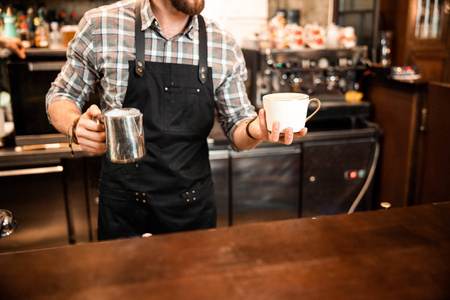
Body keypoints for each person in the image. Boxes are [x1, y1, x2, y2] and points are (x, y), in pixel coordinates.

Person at [46, 0, 308, 240]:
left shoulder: (223, 43)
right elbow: (60, 95)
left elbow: (238, 127)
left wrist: (258, 130)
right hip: (123, 206)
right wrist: (74, 124)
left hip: (192, 207)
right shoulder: (101, 24)